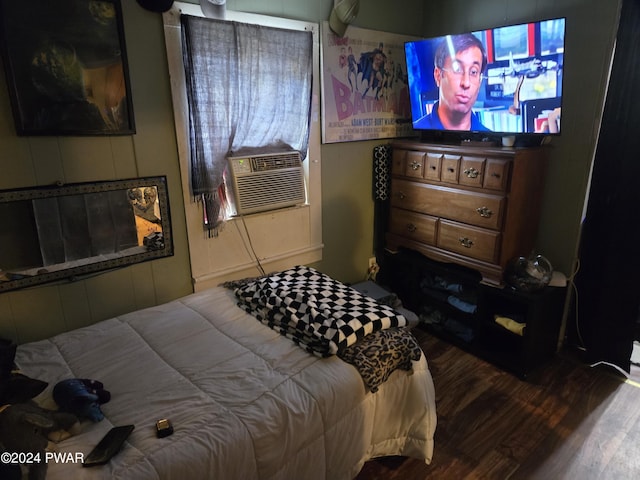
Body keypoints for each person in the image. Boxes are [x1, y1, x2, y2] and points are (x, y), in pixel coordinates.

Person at [414, 33, 490, 131]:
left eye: (473, 72)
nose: (466, 83)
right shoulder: (414, 134)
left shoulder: (492, 141)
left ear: (479, 82)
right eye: (457, 69)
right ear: (438, 76)